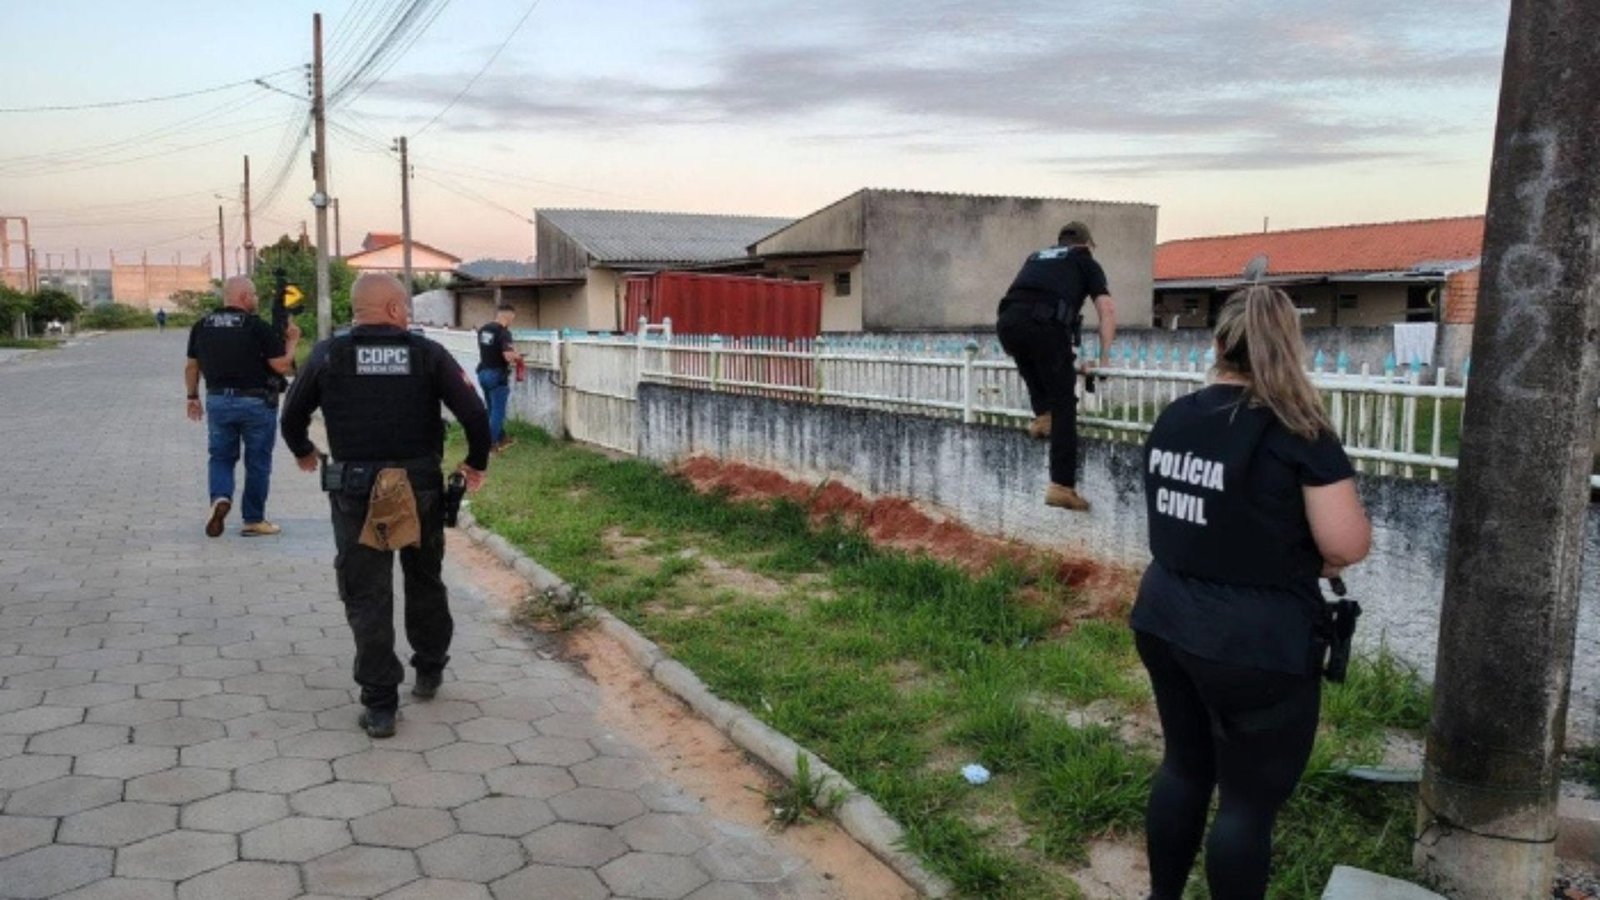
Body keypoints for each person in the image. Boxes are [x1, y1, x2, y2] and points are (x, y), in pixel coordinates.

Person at [1131, 285, 1371, 899]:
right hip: (1254, 644)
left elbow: (1187, 514)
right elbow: (1345, 544)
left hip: (1164, 617)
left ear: (1218, 345)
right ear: (1291, 346)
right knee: (1245, 805)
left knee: (1183, 768)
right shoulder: (1299, 430)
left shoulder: (1176, 416)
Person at [280, 273, 492, 739]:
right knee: (425, 580)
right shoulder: (428, 354)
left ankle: (380, 706)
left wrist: (304, 451)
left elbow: (292, 414)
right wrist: (475, 463)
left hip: (356, 491)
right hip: (419, 489)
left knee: (367, 594)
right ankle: (429, 669)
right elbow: (475, 413)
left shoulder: (328, 354)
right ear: (396, 309)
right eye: (407, 307)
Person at [996, 221, 1116, 512]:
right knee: (1065, 403)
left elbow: (1032, 304)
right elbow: (1107, 310)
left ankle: (1043, 416)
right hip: (1044, 326)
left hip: (1007, 324)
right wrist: (1104, 359)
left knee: (1031, 359)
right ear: (1087, 244)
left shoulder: (1037, 257)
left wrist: (1069, 361)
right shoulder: (1085, 261)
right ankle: (1061, 485)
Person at [185, 275, 299, 538]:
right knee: (258, 462)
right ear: (245, 297)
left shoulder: (202, 325)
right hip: (256, 402)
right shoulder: (256, 326)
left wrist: (192, 396)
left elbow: (192, 366)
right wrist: (292, 341)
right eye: (255, 295)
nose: (256, 299)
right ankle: (253, 519)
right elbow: (282, 366)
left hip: (217, 400)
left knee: (221, 457)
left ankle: (220, 497)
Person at [476, 304, 523, 452]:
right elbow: (508, 356)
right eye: (512, 319)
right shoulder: (503, 332)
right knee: (498, 412)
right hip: (496, 375)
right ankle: (489, 445)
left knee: (491, 409)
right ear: (509, 316)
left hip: (483, 373)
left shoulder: (483, 329)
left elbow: (488, 350)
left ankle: (501, 438)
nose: (512, 322)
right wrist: (517, 356)